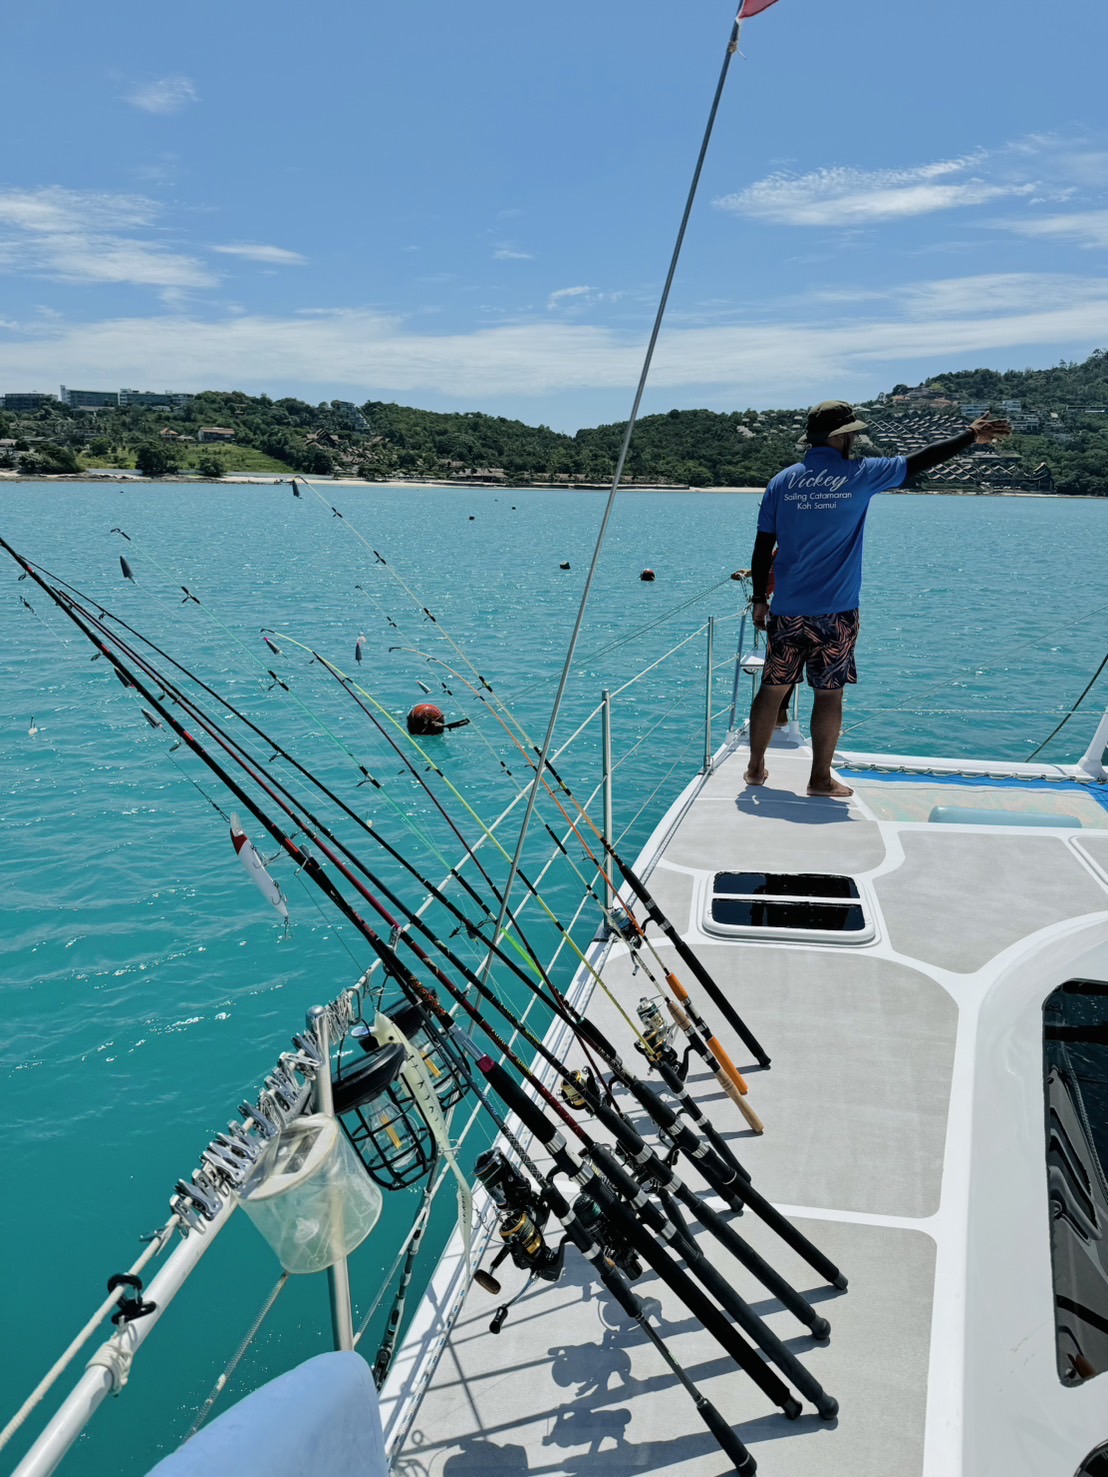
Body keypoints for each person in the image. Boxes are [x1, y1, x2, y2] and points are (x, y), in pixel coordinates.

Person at [744, 399, 1011, 798]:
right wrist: (971, 435)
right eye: (852, 432)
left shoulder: (783, 481)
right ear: (844, 436)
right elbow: (922, 460)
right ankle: (819, 779)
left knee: (773, 688)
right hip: (835, 612)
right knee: (829, 693)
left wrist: (759, 600)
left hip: (787, 609)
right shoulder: (862, 474)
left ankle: (754, 768)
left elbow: (764, 544)